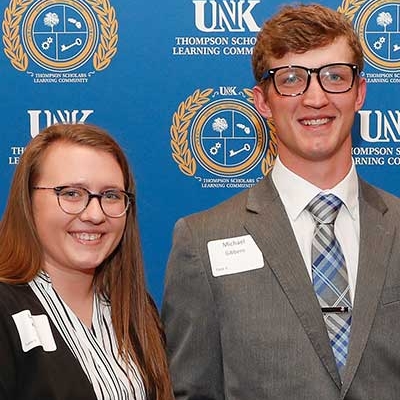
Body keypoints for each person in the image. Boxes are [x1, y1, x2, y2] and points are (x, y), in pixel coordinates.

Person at [161, 3, 400, 400]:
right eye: (291, 79)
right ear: (263, 101)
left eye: (334, 77)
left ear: (359, 93)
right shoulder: (201, 241)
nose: (316, 98)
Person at [0, 123, 173, 400]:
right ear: (28, 201)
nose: (95, 214)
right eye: (71, 193)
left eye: (111, 195)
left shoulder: (136, 311)